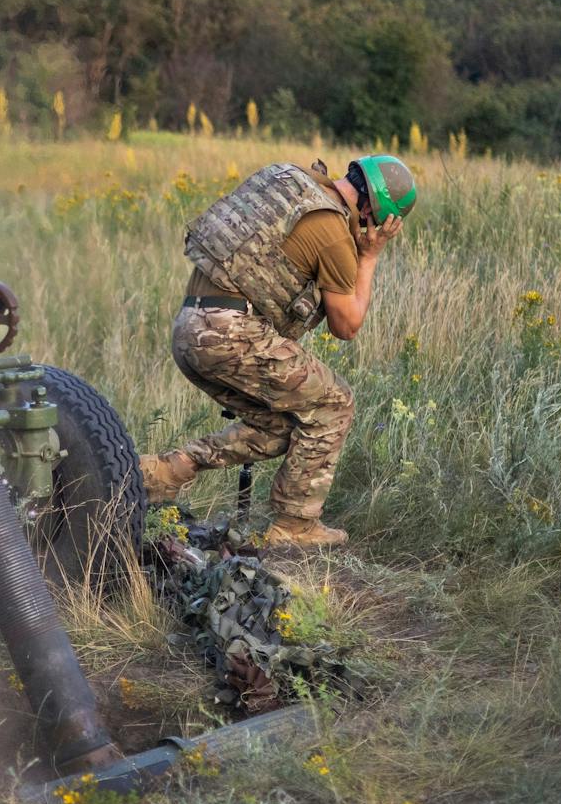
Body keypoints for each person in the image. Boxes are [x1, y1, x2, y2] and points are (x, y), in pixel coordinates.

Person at [140, 155, 416, 547]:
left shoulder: (290, 179)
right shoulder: (334, 233)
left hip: (190, 328)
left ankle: (167, 472)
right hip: (230, 332)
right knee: (335, 402)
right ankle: (295, 525)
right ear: (374, 212)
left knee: (280, 426)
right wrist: (369, 257)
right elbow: (347, 325)